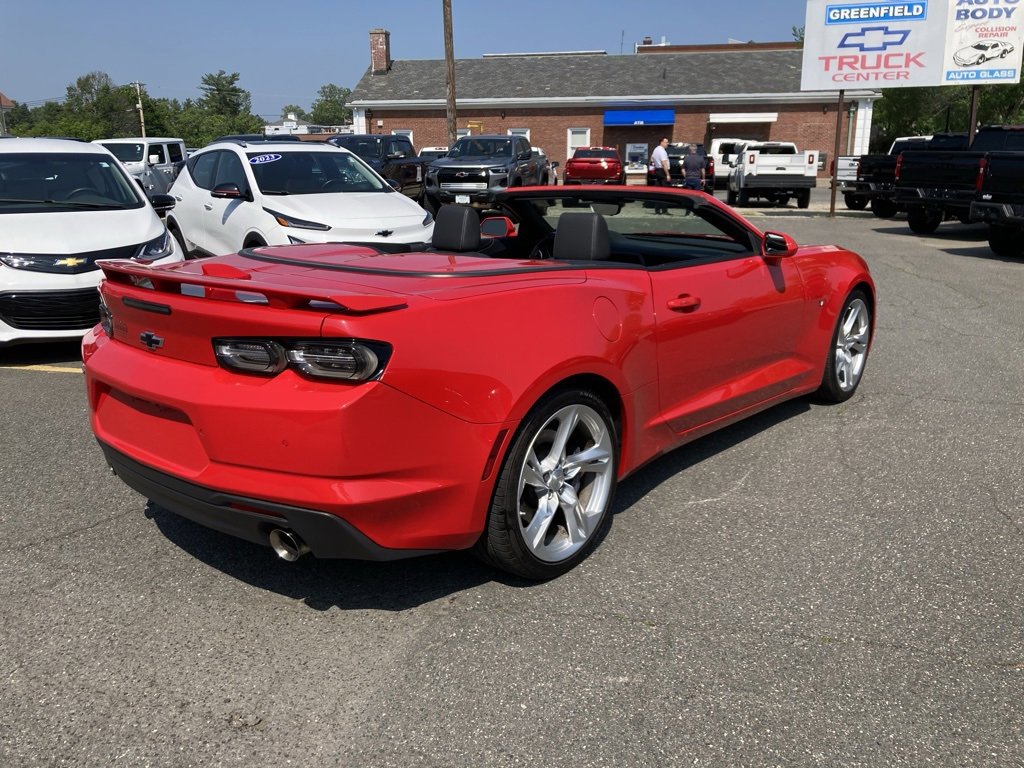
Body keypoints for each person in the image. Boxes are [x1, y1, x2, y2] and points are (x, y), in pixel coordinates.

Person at [650, 137, 670, 214]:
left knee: (658, 191)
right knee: (666, 192)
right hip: (662, 171)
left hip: (657, 170)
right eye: (666, 142)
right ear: (661, 142)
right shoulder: (662, 151)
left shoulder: (656, 150)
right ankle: (664, 210)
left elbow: (652, 159)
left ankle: (657, 210)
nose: (667, 143)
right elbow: (664, 163)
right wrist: (667, 174)